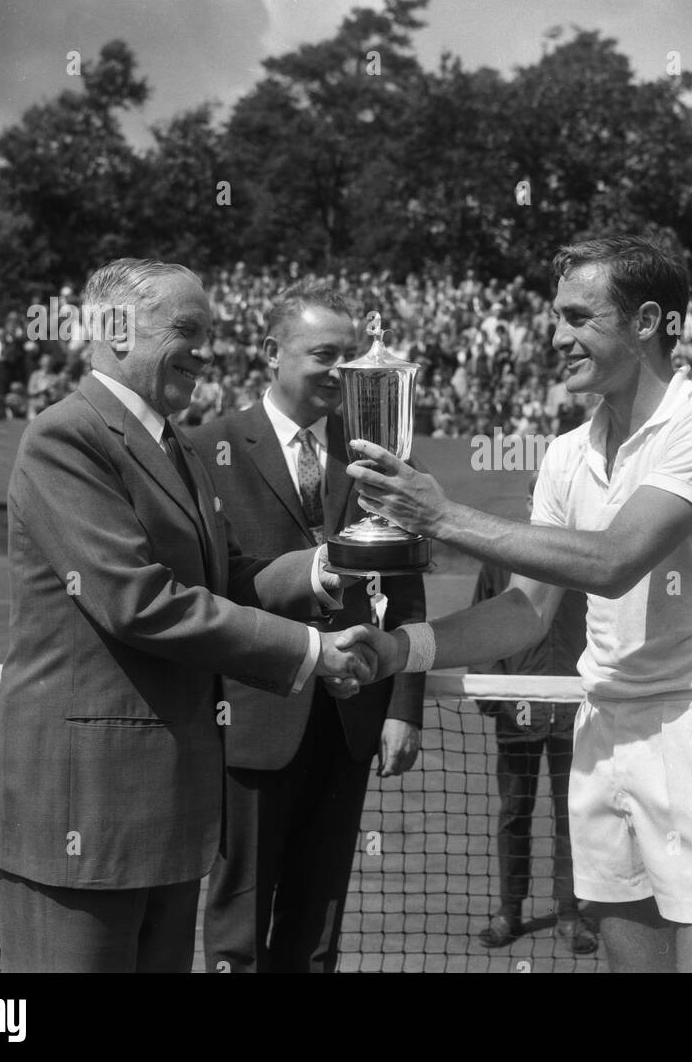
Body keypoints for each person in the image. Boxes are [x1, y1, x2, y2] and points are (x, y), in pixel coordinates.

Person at [340, 236, 692, 973]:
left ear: (646, 322)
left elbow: (612, 563)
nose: (555, 337)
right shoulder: (566, 452)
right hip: (604, 728)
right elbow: (523, 613)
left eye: (577, 317)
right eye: (554, 317)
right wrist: (399, 648)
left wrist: (440, 517)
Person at [0, 258, 384, 973]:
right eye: (186, 330)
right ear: (112, 331)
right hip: (86, 807)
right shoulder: (66, 436)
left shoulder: (174, 445)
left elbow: (231, 578)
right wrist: (311, 653)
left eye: (210, 332)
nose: (205, 350)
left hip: (163, 810)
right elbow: (138, 602)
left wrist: (327, 567)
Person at [194, 282, 427, 974]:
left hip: (350, 719)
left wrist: (403, 708)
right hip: (251, 720)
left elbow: (408, 588)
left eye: (350, 356)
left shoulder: (375, 452)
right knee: (238, 924)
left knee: (318, 926)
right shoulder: (209, 447)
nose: (340, 371)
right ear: (272, 352)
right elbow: (208, 591)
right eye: (324, 354)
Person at [469, 477, 596, 955]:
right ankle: (509, 911)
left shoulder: (587, 560)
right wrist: (491, 692)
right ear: (530, 504)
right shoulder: (500, 560)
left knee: (574, 815)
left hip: (576, 709)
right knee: (514, 811)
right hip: (516, 710)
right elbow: (481, 622)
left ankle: (570, 914)